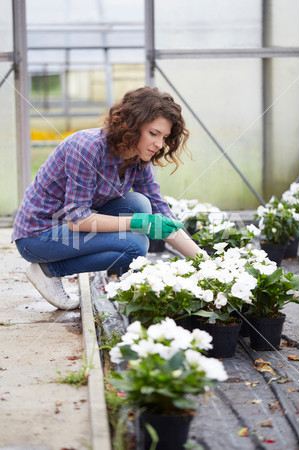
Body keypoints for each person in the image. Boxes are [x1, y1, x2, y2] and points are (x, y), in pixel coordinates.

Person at [12, 86, 205, 310]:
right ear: (130, 127)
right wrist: (140, 223)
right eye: (153, 134)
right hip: (38, 235)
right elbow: (77, 219)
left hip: (69, 229)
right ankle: (49, 271)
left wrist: (205, 263)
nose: (160, 145)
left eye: (164, 137)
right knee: (135, 244)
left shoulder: (137, 157)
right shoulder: (87, 148)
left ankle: (122, 280)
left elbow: (160, 212)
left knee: (141, 204)